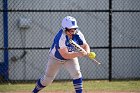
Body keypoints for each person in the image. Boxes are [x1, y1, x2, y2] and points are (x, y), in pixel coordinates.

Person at [32, 16, 91, 93]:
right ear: (64, 29)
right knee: (47, 80)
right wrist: (79, 54)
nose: (72, 31)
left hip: (71, 57)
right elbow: (65, 55)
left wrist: (87, 51)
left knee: (76, 73)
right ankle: (34, 91)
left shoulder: (78, 33)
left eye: (74, 28)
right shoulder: (60, 37)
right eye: (70, 29)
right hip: (55, 58)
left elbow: (85, 45)